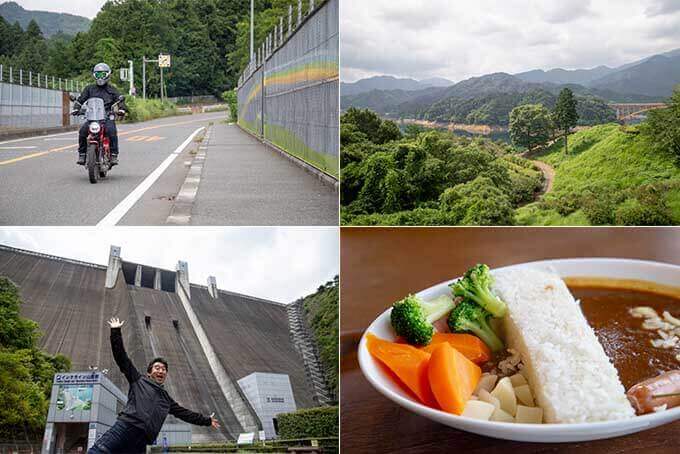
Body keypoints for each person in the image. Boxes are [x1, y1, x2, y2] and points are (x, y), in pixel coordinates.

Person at [88, 317, 220, 454]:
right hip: (125, 428)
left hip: (142, 441)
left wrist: (207, 421)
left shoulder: (166, 399)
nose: (161, 371)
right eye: (157, 368)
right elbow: (122, 358)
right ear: (149, 372)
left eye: (163, 369)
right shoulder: (138, 380)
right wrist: (115, 332)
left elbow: (185, 414)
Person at [73, 63, 127, 166]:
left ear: (107, 75)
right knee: (83, 131)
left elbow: (120, 100)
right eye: (98, 75)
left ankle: (114, 155)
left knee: (112, 131)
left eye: (102, 74)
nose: (100, 77)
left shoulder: (112, 89)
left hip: (106, 116)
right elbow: (80, 100)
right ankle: (82, 154)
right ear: (94, 75)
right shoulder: (89, 89)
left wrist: (122, 109)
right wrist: (76, 109)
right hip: (92, 117)